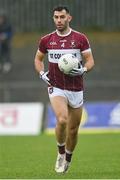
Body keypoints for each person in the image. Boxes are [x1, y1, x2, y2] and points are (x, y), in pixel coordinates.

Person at [34, 6, 95, 173]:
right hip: (56, 86)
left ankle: (68, 157)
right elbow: (38, 59)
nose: (59, 20)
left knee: (73, 130)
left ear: (69, 18)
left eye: (62, 17)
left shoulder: (80, 39)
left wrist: (83, 69)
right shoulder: (46, 40)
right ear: (53, 19)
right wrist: (41, 73)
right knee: (62, 120)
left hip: (76, 88)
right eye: (56, 17)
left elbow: (90, 61)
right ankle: (60, 153)